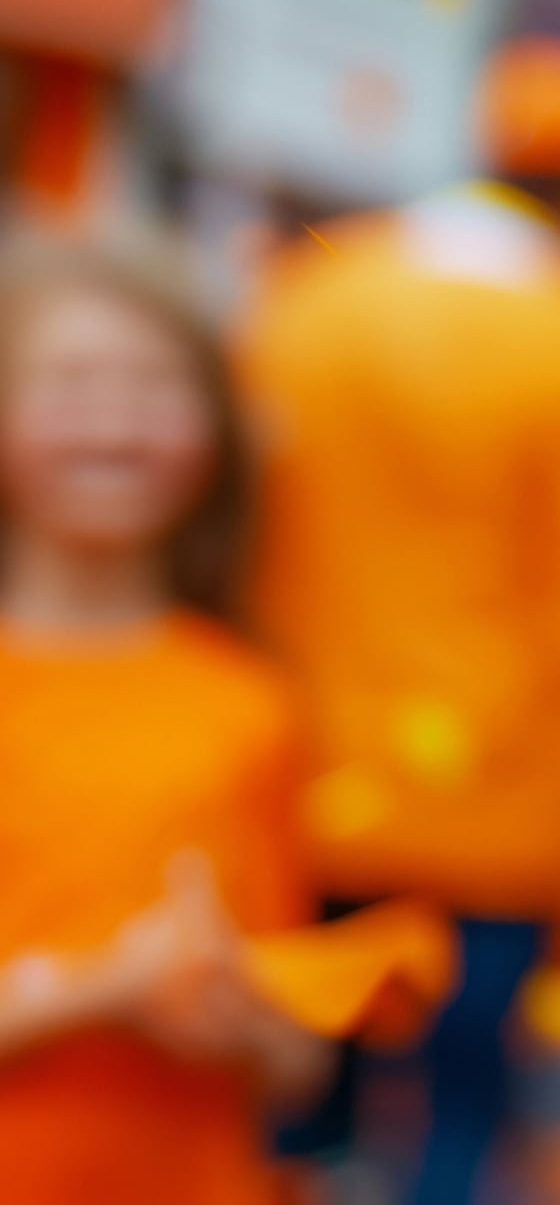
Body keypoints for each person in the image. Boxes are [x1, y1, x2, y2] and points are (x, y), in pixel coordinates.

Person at [242, 36, 560, 1200]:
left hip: (317, 771)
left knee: (300, 1101)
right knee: (459, 1110)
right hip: (504, 796)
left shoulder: (316, 295)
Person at [0, 243, 329, 1201]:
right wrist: (105, 989)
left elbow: (296, 1058)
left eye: (154, 389)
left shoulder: (251, 702)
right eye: (69, 384)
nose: (113, 423)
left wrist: (246, 1025)